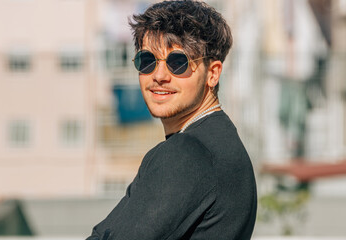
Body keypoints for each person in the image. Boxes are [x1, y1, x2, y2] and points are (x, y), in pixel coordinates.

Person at [86, 0, 257, 239]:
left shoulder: (186, 153)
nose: (159, 76)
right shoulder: (224, 143)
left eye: (178, 63)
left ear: (213, 73)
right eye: (147, 60)